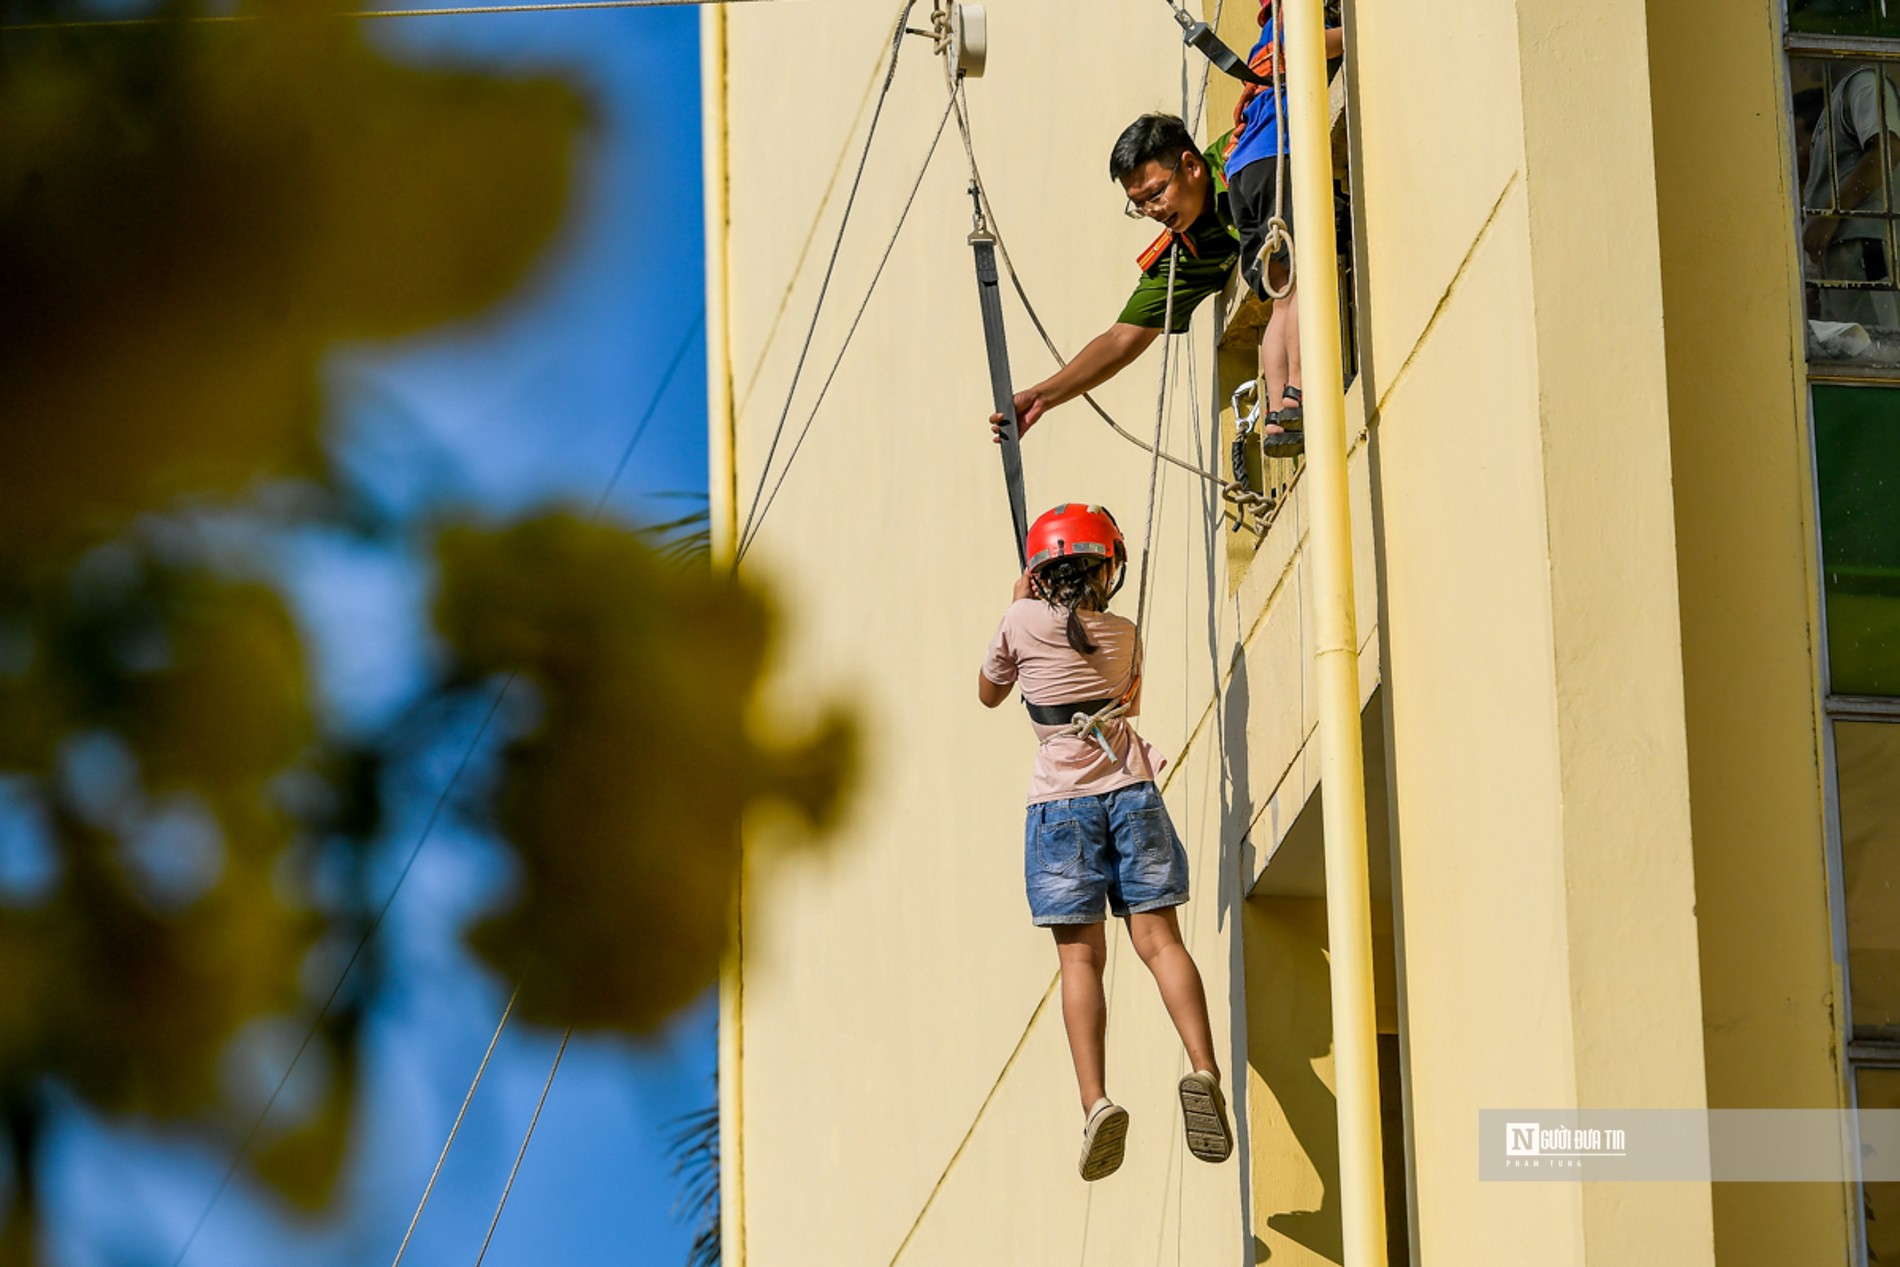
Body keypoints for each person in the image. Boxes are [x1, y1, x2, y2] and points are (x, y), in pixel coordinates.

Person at [978, 503, 1233, 1181]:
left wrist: (1014, 606)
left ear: (1038, 572)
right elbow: (1127, 698)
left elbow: (989, 692)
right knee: (1161, 942)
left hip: (1060, 808)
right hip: (1132, 793)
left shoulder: (1019, 621)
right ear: (1108, 566)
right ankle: (1203, 1067)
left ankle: (1095, 1102)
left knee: (1081, 960)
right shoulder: (1124, 633)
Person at [989, 4, 1343, 456]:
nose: (1154, 210)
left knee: (1285, 295)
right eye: (1139, 206)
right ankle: (1292, 399)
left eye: (1156, 193)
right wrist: (1043, 396)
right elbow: (1122, 338)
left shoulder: (1234, 158)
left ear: (1192, 166)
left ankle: (1286, 404)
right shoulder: (1185, 253)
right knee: (1291, 290)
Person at [1801, 63, 1900, 328]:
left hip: (1865, 246)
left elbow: (1887, 149)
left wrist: (1832, 213)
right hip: (1846, 252)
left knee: (1877, 351)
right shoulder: (1838, 97)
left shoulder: (1864, 82)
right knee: (1852, 352)